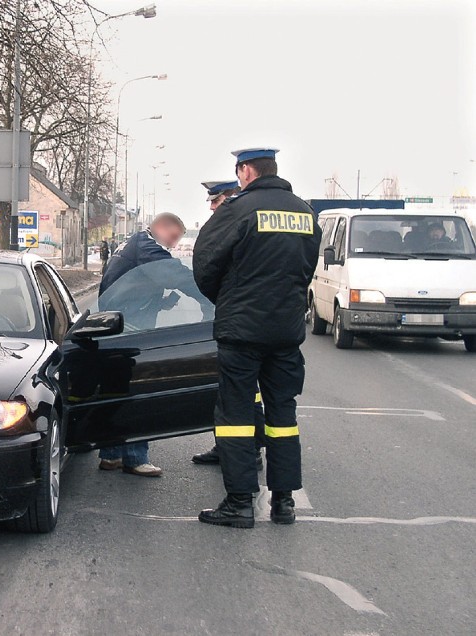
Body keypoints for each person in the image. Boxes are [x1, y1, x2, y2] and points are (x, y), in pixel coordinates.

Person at [193, 148, 321, 528]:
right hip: (286, 332)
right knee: (283, 415)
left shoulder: (237, 209)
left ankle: (240, 503)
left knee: (235, 415)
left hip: (241, 332)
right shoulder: (304, 212)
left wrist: (229, 299)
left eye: (239, 170)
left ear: (246, 170)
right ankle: (283, 503)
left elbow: (205, 263)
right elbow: (306, 268)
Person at [96, 212, 207, 477]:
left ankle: (111, 455)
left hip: (118, 323)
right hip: (131, 327)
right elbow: (173, 274)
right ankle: (135, 458)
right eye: (173, 237)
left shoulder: (134, 244)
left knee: (117, 390)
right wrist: (208, 292)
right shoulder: (147, 245)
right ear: (161, 228)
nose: (174, 244)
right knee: (137, 391)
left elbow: (134, 284)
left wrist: (160, 302)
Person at [192, 180, 264, 471]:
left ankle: (250, 451)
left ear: (231, 198)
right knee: (227, 390)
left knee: (243, 393)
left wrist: (217, 300)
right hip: (229, 319)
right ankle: (225, 447)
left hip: (240, 323)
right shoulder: (229, 223)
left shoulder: (237, 225)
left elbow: (213, 270)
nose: (211, 206)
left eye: (215, 200)